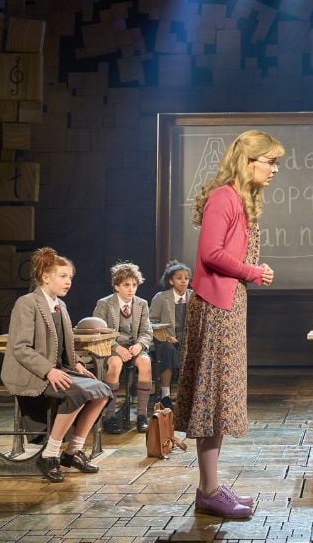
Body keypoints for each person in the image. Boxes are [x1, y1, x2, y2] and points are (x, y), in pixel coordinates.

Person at [175, 129, 284, 519]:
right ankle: (208, 491)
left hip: (230, 305)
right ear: (247, 161)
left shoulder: (241, 200)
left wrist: (251, 272)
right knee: (211, 398)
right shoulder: (224, 197)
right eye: (270, 161)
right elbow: (211, 253)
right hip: (216, 307)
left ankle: (211, 486)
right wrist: (253, 271)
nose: (274, 169)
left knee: (219, 399)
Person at [1, 247, 112, 483]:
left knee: (102, 391)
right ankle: (49, 455)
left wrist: (77, 364)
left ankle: (72, 452)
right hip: (31, 372)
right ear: (45, 277)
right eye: (63, 276)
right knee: (76, 393)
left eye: (70, 277)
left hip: (59, 368)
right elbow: (20, 347)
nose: (68, 281)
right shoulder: (27, 303)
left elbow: (64, 344)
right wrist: (48, 370)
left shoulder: (60, 305)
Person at [93, 261, 154, 434]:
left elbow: (146, 331)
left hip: (134, 347)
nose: (131, 289)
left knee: (145, 363)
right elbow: (99, 331)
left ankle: (142, 416)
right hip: (112, 347)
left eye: (134, 285)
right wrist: (117, 347)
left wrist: (139, 345)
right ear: (116, 286)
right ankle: (109, 416)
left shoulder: (141, 304)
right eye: (126, 285)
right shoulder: (104, 304)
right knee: (115, 364)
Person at [149, 260, 192, 410]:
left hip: (187, 338)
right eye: (179, 278)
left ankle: (189, 394)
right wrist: (166, 336)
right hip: (166, 339)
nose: (183, 281)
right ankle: (165, 395)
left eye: (186, 278)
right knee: (168, 349)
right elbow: (150, 322)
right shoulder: (161, 297)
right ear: (171, 281)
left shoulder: (193, 296)